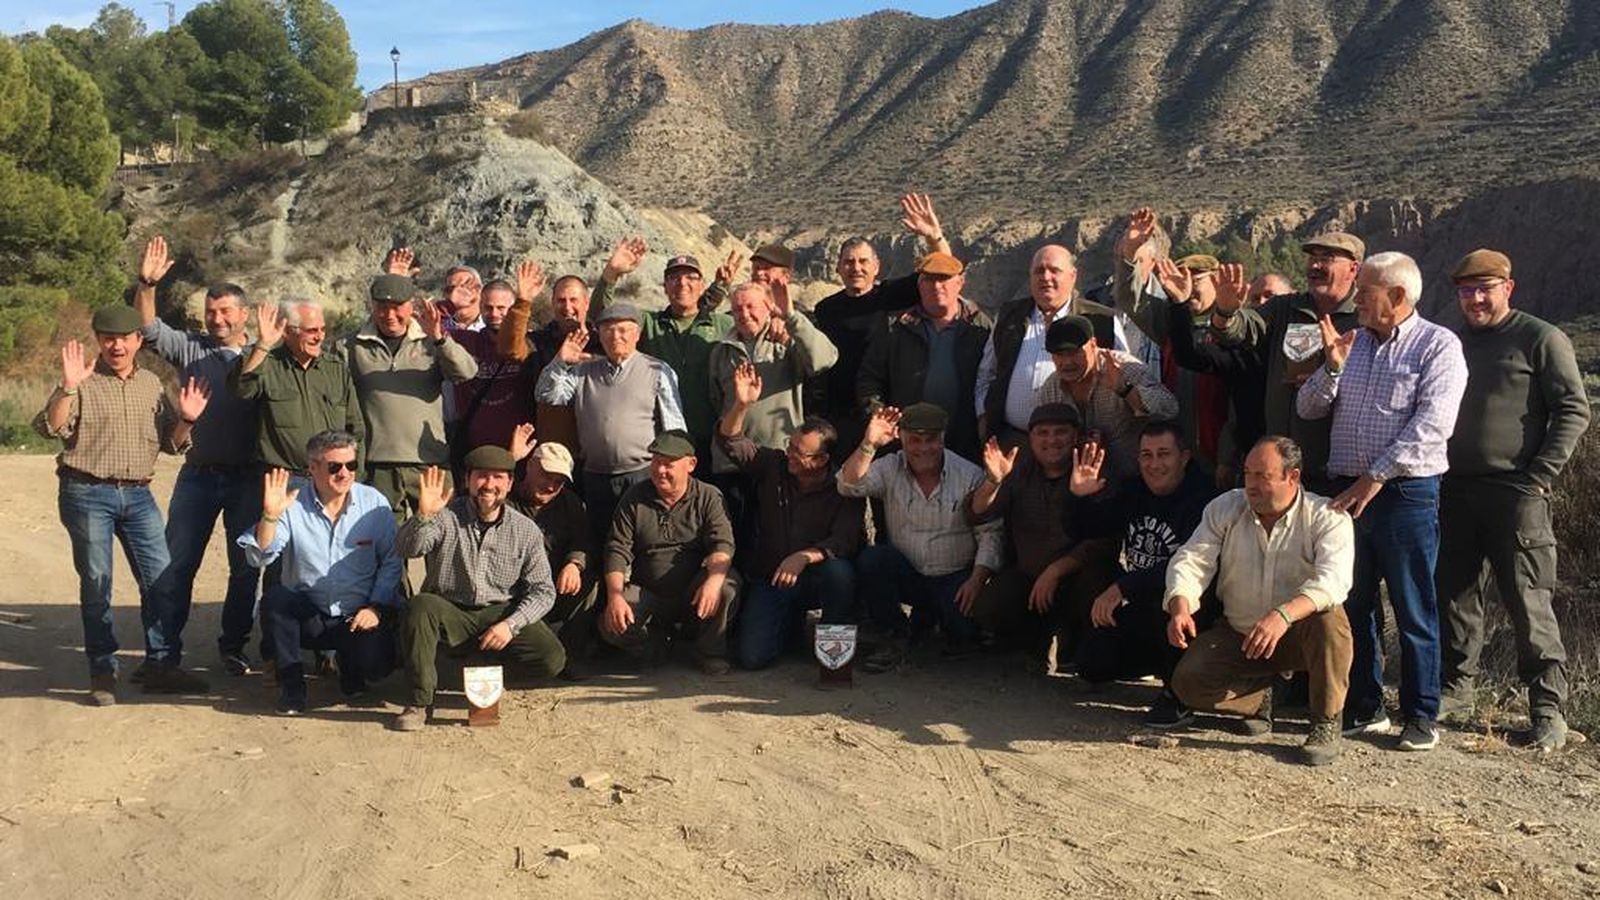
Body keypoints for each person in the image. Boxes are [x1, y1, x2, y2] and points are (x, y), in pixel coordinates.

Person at [1297, 251, 1468, 752]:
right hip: (1346, 488)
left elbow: (1434, 425)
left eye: (1365, 291)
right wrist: (1331, 368)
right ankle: (1366, 706)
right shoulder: (1355, 344)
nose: (1356, 300)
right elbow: (1308, 408)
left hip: (1404, 494)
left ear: (1397, 296)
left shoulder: (1438, 346)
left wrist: (1374, 478)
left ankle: (1420, 714)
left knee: (1414, 605)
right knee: (1354, 602)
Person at [1436, 249, 1590, 751]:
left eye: (1486, 288)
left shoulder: (1540, 338)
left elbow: (1573, 410)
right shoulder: (1451, 342)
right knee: (1455, 594)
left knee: (1528, 599)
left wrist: (1539, 477)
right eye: (1466, 290)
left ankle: (1547, 708)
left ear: (1509, 288)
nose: (1476, 299)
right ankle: (1457, 691)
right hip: (1454, 489)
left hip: (1516, 493)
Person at [35, 306, 212, 702]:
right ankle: (102, 672)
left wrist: (186, 420)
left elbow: (170, 443)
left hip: (138, 494)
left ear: (137, 341)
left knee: (162, 582)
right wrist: (65, 388)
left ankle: (161, 665)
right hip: (86, 492)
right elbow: (51, 427)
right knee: (98, 584)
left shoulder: (151, 383)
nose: (116, 345)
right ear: (99, 340)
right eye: (108, 338)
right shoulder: (81, 380)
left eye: (125, 338)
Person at [1166, 437, 1355, 766]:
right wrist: (1180, 604)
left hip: (1298, 634)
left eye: (1262, 476)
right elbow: (1193, 559)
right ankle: (1261, 699)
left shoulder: (1327, 516)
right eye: (1248, 474)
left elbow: (1333, 581)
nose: (1250, 485)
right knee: (1188, 682)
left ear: (1292, 477)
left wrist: (1283, 615)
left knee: (1329, 619)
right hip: (1241, 633)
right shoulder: (1226, 507)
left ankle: (1326, 721)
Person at [130, 236, 265, 675]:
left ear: (244, 314)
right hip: (199, 476)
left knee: (246, 569)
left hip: (250, 479)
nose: (217, 319)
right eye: (211, 312)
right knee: (177, 564)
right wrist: (146, 284)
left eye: (225, 311)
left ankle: (233, 645)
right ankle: (163, 651)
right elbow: (147, 328)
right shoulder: (191, 347)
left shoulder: (264, 356)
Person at [393, 447, 566, 730]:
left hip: (499, 612)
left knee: (551, 657)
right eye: (481, 476)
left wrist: (511, 625)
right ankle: (419, 701)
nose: (489, 485)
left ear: (509, 484)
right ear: (467, 480)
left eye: (498, 477)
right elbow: (407, 549)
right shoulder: (445, 516)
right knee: (420, 606)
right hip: (450, 610)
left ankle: (481, 680)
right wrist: (422, 516)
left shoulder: (525, 530)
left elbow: (543, 591)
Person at [237, 431, 402, 714]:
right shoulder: (292, 504)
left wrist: (375, 607)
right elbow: (259, 556)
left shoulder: (374, 503)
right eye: (334, 467)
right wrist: (270, 516)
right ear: (312, 467)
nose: (345, 473)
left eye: (351, 465)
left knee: (379, 664)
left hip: (357, 617)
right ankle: (292, 688)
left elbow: (391, 561)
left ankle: (350, 670)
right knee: (275, 599)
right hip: (310, 615)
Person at [718, 362, 865, 669]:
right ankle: (788, 628)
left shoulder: (843, 485)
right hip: (773, 577)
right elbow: (730, 442)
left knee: (840, 573)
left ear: (823, 459)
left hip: (816, 575)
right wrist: (741, 405)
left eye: (800, 453)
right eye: (791, 446)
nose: (791, 455)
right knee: (752, 657)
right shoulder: (773, 465)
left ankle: (834, 655)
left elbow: (846, 540)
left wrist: (805, 556)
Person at [1071, 422, 1217, 726]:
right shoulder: (1134, 490)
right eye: (1146, 455)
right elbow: (1086, 529)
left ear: (1184, 457)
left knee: (1171, 607)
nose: (1154, 464)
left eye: (1163, 454)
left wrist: (1122, 587)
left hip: (1188, 608)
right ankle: (1160, 667)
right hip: (1140, 605)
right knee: (1091, 663)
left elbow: (1187, 561)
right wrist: (1080, 497)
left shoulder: (1204, 499)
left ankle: (1178, 692)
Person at [839, 403, 1003, 670]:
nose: (923, 448)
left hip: (954, 577)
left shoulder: (970, 474)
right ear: (901, 438)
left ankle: (937, 625)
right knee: (874, 559)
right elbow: (848, 485)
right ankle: (894, 635)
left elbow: (989, 533)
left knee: (961, 637)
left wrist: (976, 580)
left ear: (943, 438)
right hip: (909, 574)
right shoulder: (890, 467)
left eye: (931, 440)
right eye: (914, 440)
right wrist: (869, 444)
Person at [1209, 233, 1365, 493]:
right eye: (1312, 258)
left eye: (1326, 258)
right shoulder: (1283, 308)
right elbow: (1241, 330)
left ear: (1353, 268)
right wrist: (1225, 313)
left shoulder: (1364, 316)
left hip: (1340, 475)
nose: (1315, 266)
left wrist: (1329, 377)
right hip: (1281, 471)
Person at [811, 193, 952, 457]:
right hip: (838, 416)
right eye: (848, 262)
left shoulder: (890, 297)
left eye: (863, 261)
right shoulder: (825, 309)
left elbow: (943, 270)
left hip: (884, 414)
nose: (856, 268)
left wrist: (934, 236)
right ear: (838, 269)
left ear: (877, 267)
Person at [965, 403, 1102, 671]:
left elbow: (1103, 541)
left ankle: (1079, 646)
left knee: (1096, 584)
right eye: (1043, 433)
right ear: (1031, 438)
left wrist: (1056, 571)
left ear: (1075, 436)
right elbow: (976, 514)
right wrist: (993, 482)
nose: (1051, 440)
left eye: (1060, 432)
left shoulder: (1091, 468)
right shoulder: (1019, 471)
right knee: (990, 605)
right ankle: (1033, 642)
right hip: (1029, 578)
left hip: (1076, 578)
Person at [534, 302, 687, 537]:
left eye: (623, 330)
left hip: (643, 473)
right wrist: (560, 362)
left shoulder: (657, 370)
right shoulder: (583, 370)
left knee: (644, 536)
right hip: (596, 475)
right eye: (608, 330)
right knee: (600, 537)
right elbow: (547, 396)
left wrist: (675, 469)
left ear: (637, 334)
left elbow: (674, 426)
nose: (616, 336)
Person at [600, 430, 741, 675]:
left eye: (668, 464)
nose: (659, 470)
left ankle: (709, 651)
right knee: (610, 627)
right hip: (648, 591)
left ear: (691, 464)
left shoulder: (708, 496)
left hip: (692, 591)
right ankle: (656, 642)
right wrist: (615, 596)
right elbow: (617, 548)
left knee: (727, 586)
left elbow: (723, 544)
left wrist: (713, 581)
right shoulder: (634, 497)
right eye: (655, 462)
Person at [592, 240, 739, 460]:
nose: (682, 283)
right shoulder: (649, 325)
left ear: (702, 285)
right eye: (674, 278)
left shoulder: (723, 325)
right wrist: (610, 274)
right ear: (665, 286)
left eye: (691, 277)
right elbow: (604, 318)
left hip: (715, 441)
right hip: (664, 445)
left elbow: (754, 323)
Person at [346, 273, 478, 518]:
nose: (389, 315)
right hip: (378, 463)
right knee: (386, 545)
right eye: (382, 308)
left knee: (441, 537)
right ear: (372, 307)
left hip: (429, 461)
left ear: (411, 306)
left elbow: (467, 372)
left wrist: (440, 339)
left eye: (397, 308)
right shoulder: (353, 345)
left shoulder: (430, 340)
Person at [977, 244, 1131, 448]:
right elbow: (986, 374)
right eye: (1039, 271)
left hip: (1080, 447)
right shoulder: (1009, 317)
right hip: (1013, 442)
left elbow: (1123, 374)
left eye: (1054, 270)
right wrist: (983, 416)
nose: (1045, 277)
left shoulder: (1102, 320)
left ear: (1073, 276)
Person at [858, 252, 993, 461]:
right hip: (908, 445)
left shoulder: (981, 327)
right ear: (919, 284)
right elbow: (869, 378)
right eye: (929, 279)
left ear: (960, 282)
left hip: (964, 444)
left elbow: (993, 379)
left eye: (944, 279)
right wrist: (880, 416)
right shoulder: (896, 327)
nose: (936, 286)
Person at [708, 281, 839, 469]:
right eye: (737, 309)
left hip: (781, 456)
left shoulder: (786, 342)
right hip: (730, 461)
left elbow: (825, 359)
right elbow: (716, 400)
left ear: (767, 308)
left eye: (750, 306)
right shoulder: (721, 352)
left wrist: (791, 318)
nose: (744, 314)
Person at [1034, 315, 1178, 483]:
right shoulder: (1051, 387)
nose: (1067, 362)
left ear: (1093, 344)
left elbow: (1170, 408)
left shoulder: (1123, 368)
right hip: (1079, 483)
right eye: (1059, 354)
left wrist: (1125, 390)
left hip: (1134, 481)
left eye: (1074, 353)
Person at [231, 299, 365, 475]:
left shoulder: (336, 368)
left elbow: (355, 428)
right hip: (283, 481)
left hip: (331, 478)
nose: (319, 337)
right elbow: (242, 390)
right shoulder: (267, 364)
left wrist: (354, 477)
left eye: (322, 329)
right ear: (287, 331)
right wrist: (263, 344)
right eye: (311, 331)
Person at [508, 434, 598, 676]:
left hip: (554, 586)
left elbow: (584, 541)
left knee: (590, 582)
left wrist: (574, 563)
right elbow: (475, 496)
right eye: (547, 475)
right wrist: (510, 460)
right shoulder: (505, 500)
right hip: (511, 591)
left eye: (559, 481)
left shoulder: (570, 503)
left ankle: (572, 654)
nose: (551, 485)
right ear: (529, 466)